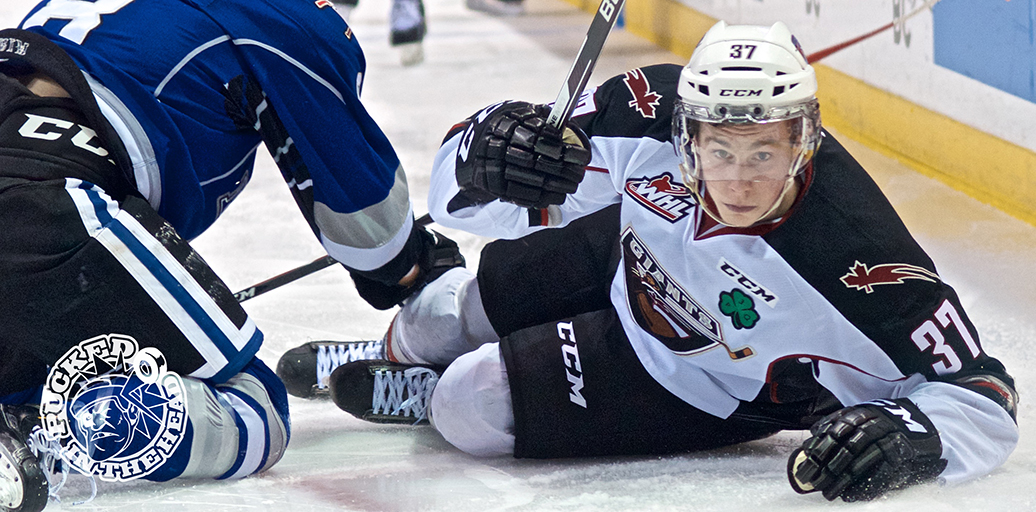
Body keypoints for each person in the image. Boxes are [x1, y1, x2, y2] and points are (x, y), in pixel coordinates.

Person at [298, 21, 1020, 502]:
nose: (739, 180)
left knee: (467, 403)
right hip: (625, 254)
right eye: (719, 150)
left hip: (694, 378)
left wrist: (911, 441)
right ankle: (395, 352)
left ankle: (427, 392)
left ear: (805, 142)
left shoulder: (858, 262)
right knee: (438, 314)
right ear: (685, 132)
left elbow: (983, 396)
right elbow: (458, 202)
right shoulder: (641, 113)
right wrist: (491, 151)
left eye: (764, 153)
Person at [0, 0, 461, 509]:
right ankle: (57, 432)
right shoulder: (285, 16)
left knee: (32, 350)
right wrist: (416, 263)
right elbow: (370, 233)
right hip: (46, 197)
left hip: (26, 153)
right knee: (255, 410)